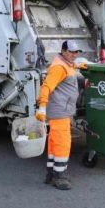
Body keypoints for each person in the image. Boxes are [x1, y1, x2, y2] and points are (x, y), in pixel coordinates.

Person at [35, 40, 84, 190]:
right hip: (60, 111)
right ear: (63, 51)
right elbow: (46, 87)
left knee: (54, 141)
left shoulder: (66, 64)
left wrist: (79, 65)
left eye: (76, 52)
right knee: (62, 143)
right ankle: (59, 176)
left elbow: (70, 67)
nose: (74, 55)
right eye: (71, 52)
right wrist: (42, 107)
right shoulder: (58, 67)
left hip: (62, 110)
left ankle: (51, 173)